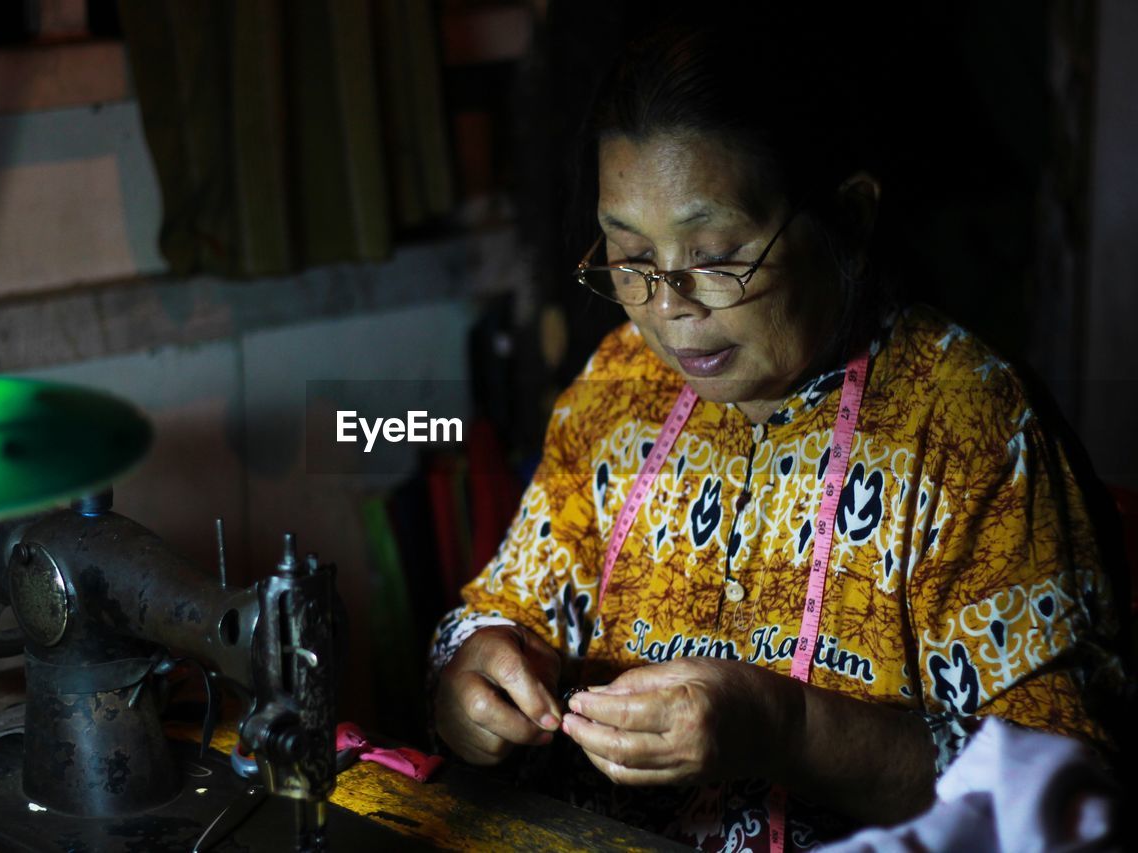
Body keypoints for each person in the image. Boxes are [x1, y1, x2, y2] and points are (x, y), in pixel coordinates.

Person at [428, 10, 1126, 851]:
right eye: (631, 256)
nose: (667, 305)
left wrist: (788, 728)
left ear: (849, 217)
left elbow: (1063, 785)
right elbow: (506, 610)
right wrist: (478, 677)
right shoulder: (618, 387)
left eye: (719, 253)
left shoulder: (969, 430)